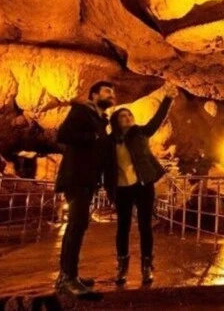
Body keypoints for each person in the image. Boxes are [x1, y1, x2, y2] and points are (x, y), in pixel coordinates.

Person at [104, 85, 175, 285]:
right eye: (123, 116)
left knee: (145, 226)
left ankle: (146, 266)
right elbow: (105, 167)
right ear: (116, 121)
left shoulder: (141, 133)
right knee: (123, 227)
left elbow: (157, 119)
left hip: (143, 185)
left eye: (129, 115)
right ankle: (122, 267)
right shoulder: (109, 142)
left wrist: (168, 99)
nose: (128, 117)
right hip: (121, 188)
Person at [54, 80, 115, 296]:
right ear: (94, 95)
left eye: (112, 93)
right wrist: (94, 137)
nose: (112, 95)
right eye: (107, 92)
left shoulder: (100, 120)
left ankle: (71, 275)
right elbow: (62, 135)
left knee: (79, 226)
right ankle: (67, 278)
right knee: (76, 225)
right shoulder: (81, 112)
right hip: (76, 177)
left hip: (88, 179)